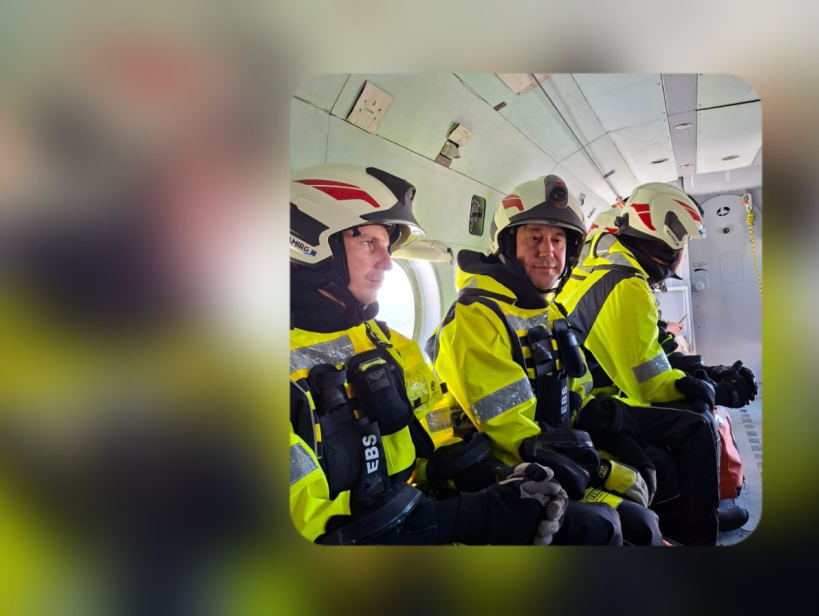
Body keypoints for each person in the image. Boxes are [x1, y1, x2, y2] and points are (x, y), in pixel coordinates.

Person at [288, 163, 590, 545]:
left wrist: (494, 478)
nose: (387, 262)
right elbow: (312, 526)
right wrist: (467, 516)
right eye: (368, 243)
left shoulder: (393, 346)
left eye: (387, 246)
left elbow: (437, 448)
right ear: (311, 246)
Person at [430, 175, 662, 545]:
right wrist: (603, 470)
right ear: (508, 244)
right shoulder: (475, 316)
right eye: (534, 238)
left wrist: (619, 440)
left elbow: (578, 394)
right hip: (499, 470)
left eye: (558, 240)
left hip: (553, 451)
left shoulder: (548, 312)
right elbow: (510, 432)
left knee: (649, 495)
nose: (548, 251)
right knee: (629, 525)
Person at [555, 182, 755, 543]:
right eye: (683, 244)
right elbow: (649, 384)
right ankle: (697, 534)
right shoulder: (627, 285)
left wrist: (706, 372)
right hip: (592, 403)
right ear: (666, 243)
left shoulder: (608, 265)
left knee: (694, 407)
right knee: (697, 421)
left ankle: (702, 511)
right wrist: (717, 391)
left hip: (592, 390)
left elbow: (651, 346)